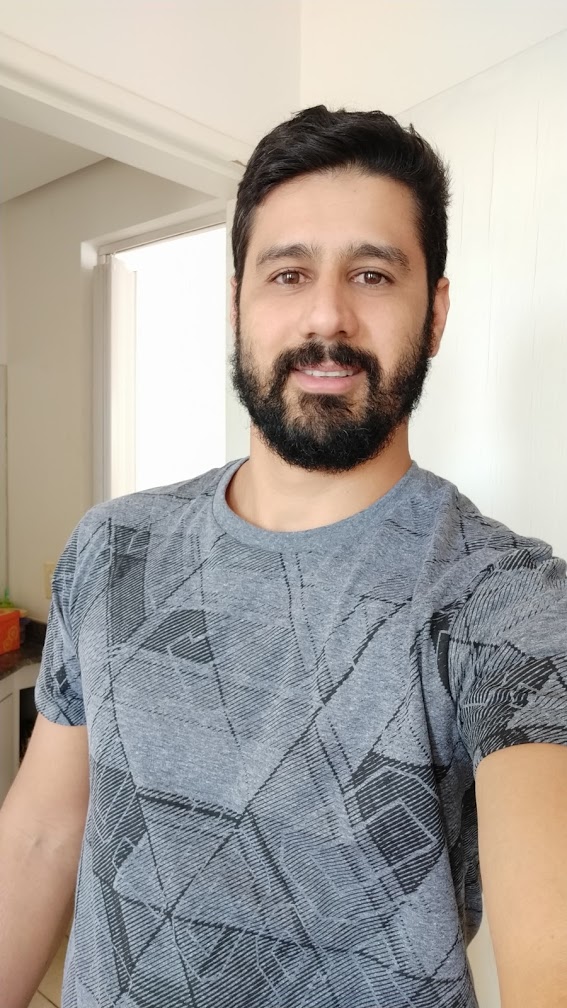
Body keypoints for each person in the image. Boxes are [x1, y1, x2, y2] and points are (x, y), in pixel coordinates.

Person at [1, 105, 566, 1008]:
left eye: (372, 274)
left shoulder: (505, 601)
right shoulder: (109, 547)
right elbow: (38, 834)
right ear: (236, 303)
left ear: (434, 313)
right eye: (288, 273)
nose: (326, 316)